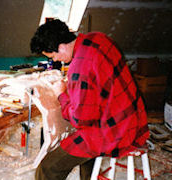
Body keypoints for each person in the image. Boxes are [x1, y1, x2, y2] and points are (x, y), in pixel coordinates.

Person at [30, 19, 149, 180]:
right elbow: (97, 81)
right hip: (133, 121)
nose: (55, 60)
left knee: (48, 168)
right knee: (83, 149)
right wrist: (75, 87)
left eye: (53, 56)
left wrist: (61, 94)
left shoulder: (78, 68)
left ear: (62, 46)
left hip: (114, 132)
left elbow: (81, 120)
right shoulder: (98, 38)